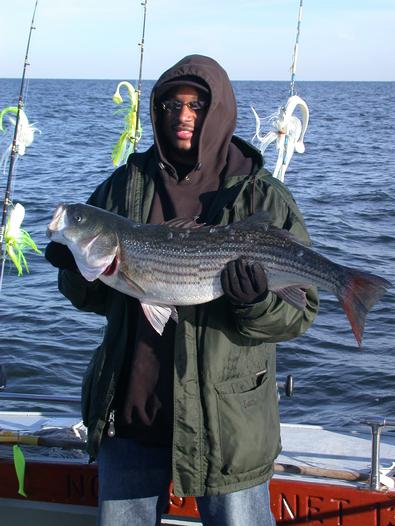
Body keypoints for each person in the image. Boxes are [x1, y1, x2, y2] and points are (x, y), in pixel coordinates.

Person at [46, 55, 319, 526]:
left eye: (197, 105)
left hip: (227, 425)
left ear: (219, 111)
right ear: (157, 111)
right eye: (172, 105)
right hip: (130, 416)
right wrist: (73, 270)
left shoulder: (260, 195)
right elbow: (94, 296)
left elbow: (300, 313)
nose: (184, 116)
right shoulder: (124, 186)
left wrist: (255, 303)